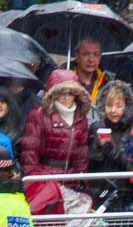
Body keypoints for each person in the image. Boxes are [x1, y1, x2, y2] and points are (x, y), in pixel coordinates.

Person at [19, 71, 88, 216]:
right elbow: (29, 155)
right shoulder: (38, 115)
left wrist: (81, 180)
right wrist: (40, 180)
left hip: (71, 183)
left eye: (70, 93)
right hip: (45, 182)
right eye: (61, 93)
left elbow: (82, 154)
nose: (66, 97)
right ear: (53, 94)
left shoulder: (81, 118)